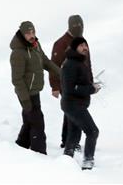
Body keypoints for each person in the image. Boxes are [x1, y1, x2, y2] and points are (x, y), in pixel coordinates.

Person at [10, 20, 61, 155]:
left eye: (33, 32)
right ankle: (40, 154)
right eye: (28, 33)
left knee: (29, 121)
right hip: (26, 94)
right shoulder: (18, 53)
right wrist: (25, 99)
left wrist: (61, 73)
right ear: (22, 34)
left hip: (35, 91)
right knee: (38, 124)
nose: (32, 35)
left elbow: (45, 61)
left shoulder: (35, 46)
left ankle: (21, 147)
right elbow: (17, 79)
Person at [50, 15, 92, 151]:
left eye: (81, 26)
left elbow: (88, 63)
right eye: (75, 27)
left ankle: (73, 141)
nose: (79, 29)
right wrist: (55, 86)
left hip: (83, 84)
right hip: (67, 83)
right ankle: (68, 141)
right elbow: (53, 66)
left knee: (78, 110)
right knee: (73, 110)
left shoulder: (82, 43)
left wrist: (90, 81)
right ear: (69, 27)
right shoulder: (61, 43)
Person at [60, 37, 101, 170]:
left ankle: (66, 159)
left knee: (74, 133)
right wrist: (91, 89)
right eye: (81, 45)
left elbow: (79, 83)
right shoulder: (70, 64)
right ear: (75, 48)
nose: (85, 48)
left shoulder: (79, 62)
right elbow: (70, 88)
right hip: (73, 105)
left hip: (76, 104)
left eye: (86, 45)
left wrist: (91, 85)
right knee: (92, 131)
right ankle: (88, 161)